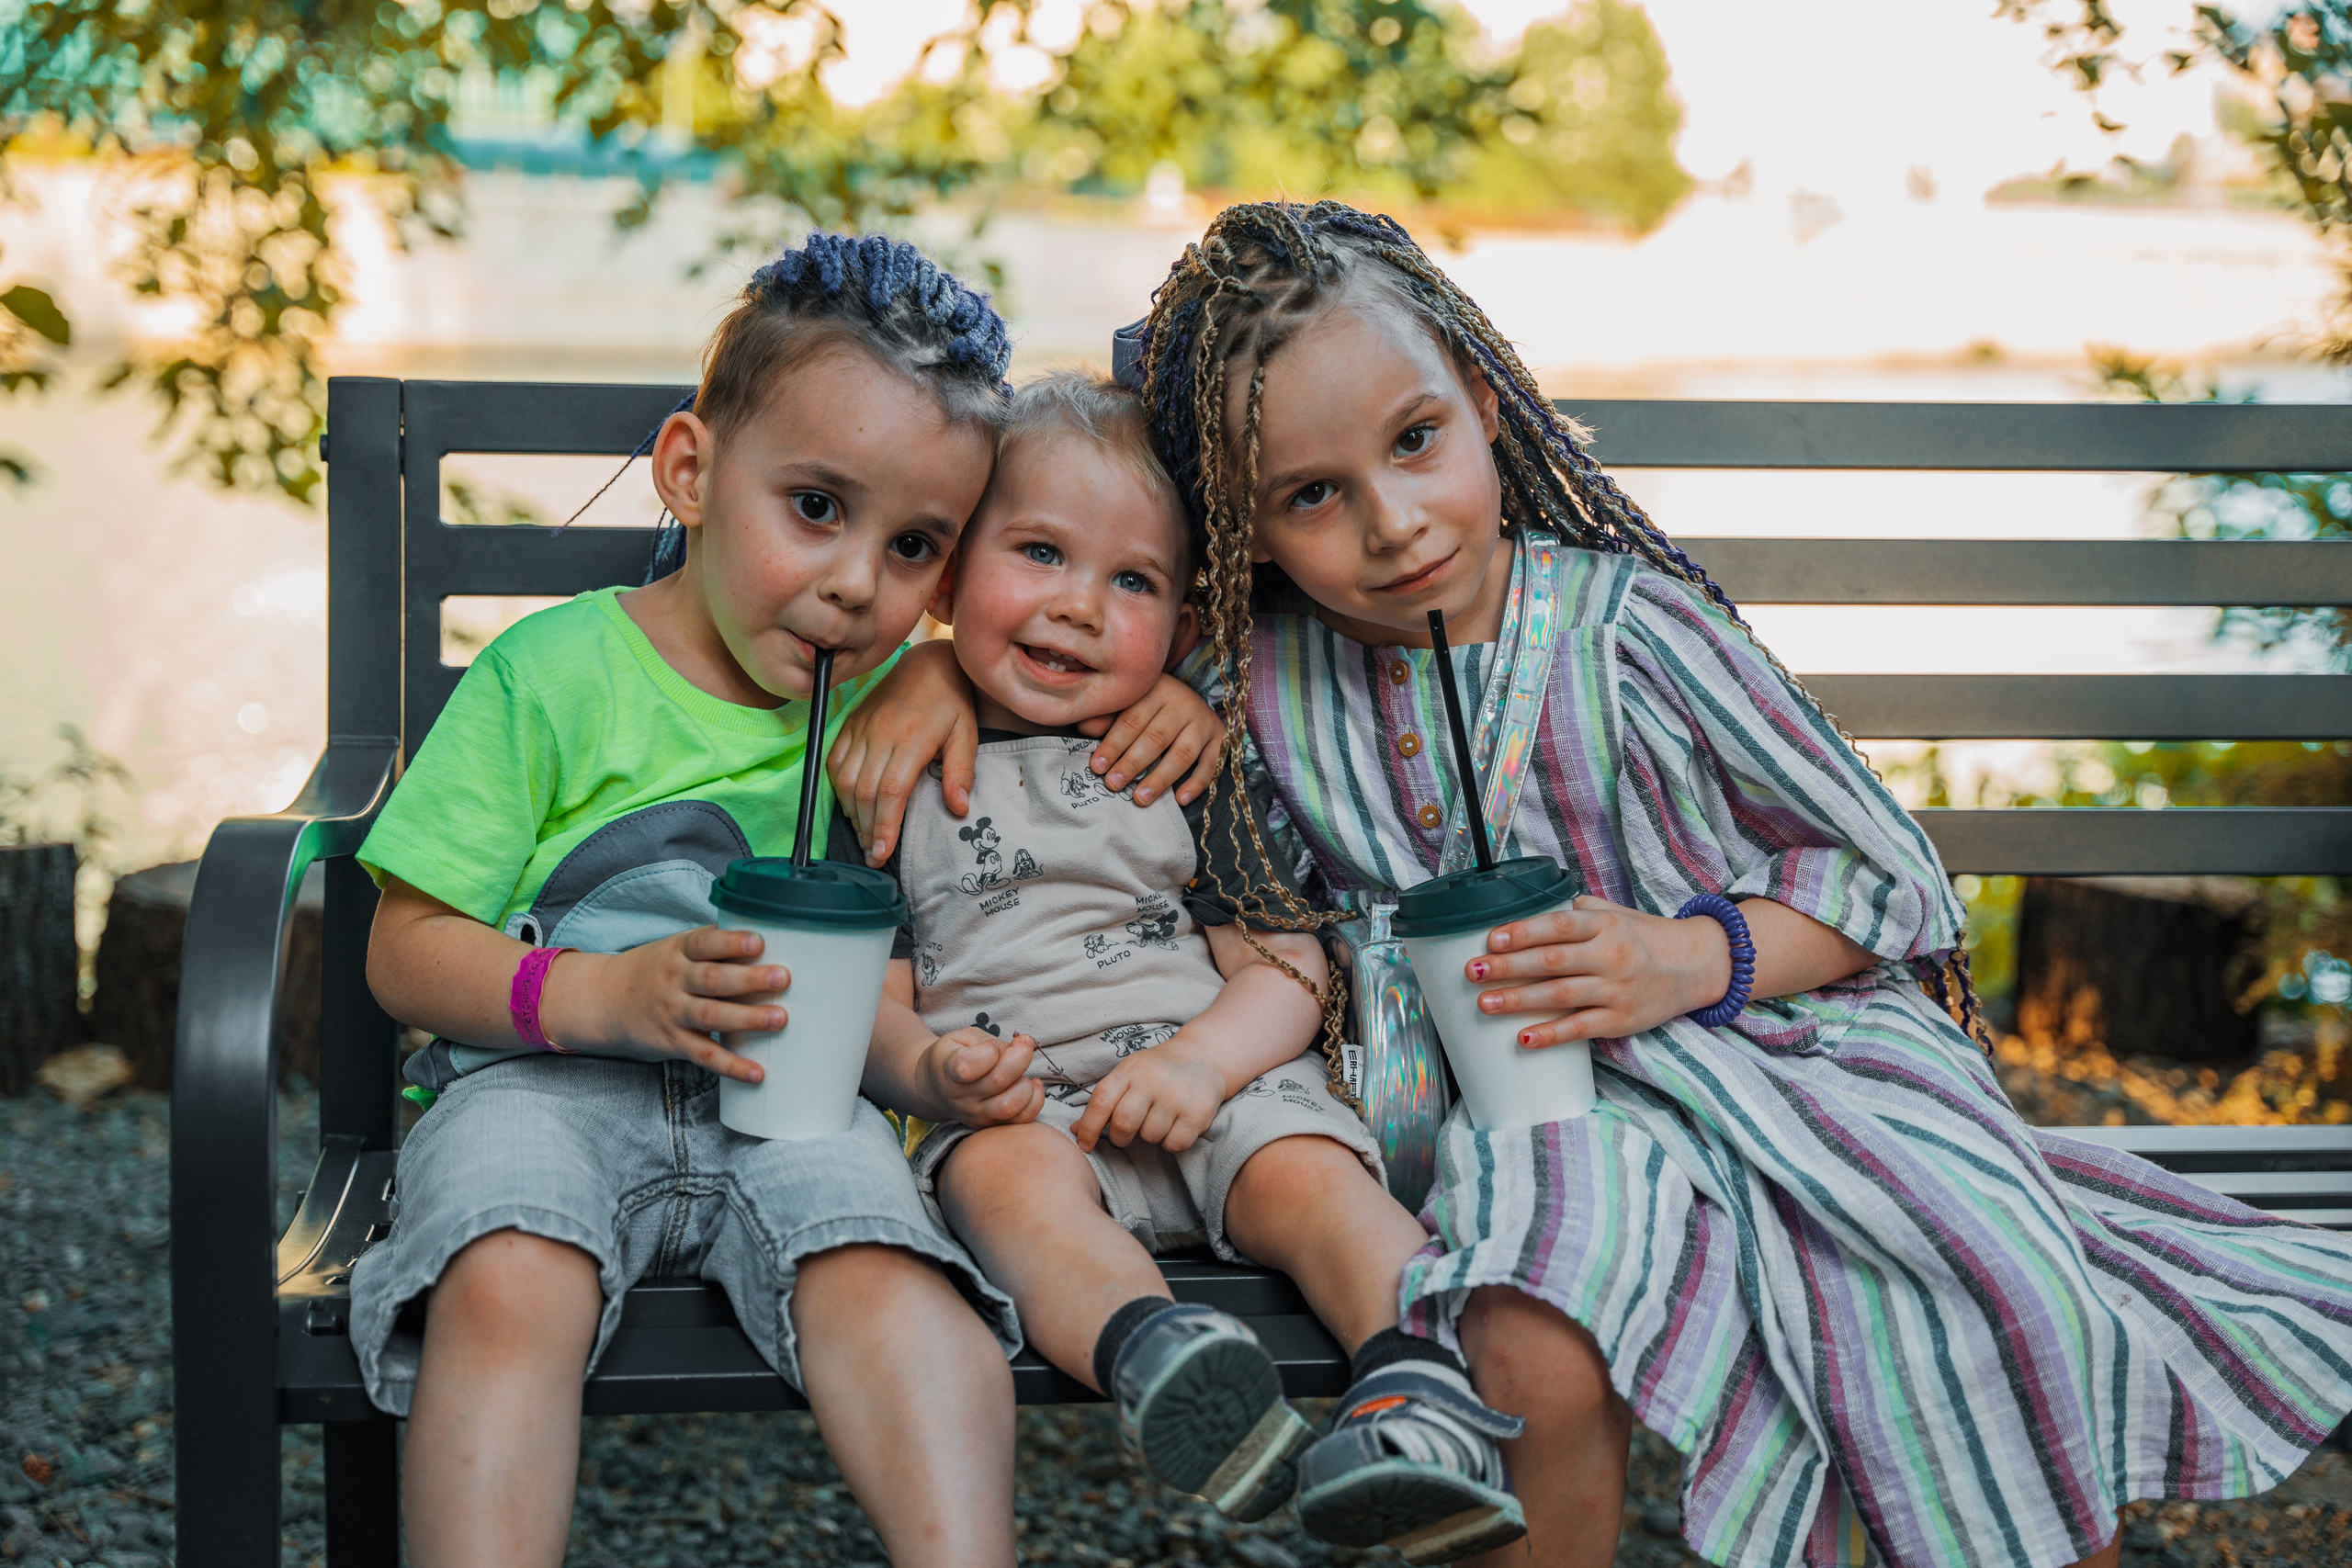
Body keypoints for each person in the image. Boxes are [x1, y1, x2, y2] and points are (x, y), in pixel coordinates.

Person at [831, 203, 2352, 1568]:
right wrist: (929, 677)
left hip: (1778, 1040)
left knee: (1976, 1271)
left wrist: (1688, 959)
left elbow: (1881, 875)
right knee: (1530, 1321)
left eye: (1416, 442)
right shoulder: (1243, 674)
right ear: (1248, 523)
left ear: (1485, 405)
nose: (1392, 524)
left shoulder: (1633, 631)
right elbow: (1054, 661)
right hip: (1498, 1103)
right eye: (1311, 496)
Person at [348, 233, 1205, 1568]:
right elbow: (404, 951)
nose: (858, 583)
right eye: (815, 507)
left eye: (913, 546)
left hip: (801, 1114)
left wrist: (929, 1069)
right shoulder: (552, 678)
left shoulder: (891, 719)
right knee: (507, 1279)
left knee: (904, 1296)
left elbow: (887, 983)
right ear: (691, 471)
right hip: (533, 1091)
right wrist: (602, 995)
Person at [843, 371, 1530, 1562]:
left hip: (1216, 1082)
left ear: (1186, 627)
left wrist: (1201, 1066)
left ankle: (1420, 1394)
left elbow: (1286, 967)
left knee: (1318, 1185)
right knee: (1002, 1188)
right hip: (1024, 1106)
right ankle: (1172, 1367)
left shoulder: (1176, 760)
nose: (1079, 607)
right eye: (1040, 553)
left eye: (1134, 582)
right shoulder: (889, 768)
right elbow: (869, 1002)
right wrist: (931, 1073)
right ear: (947, 578)